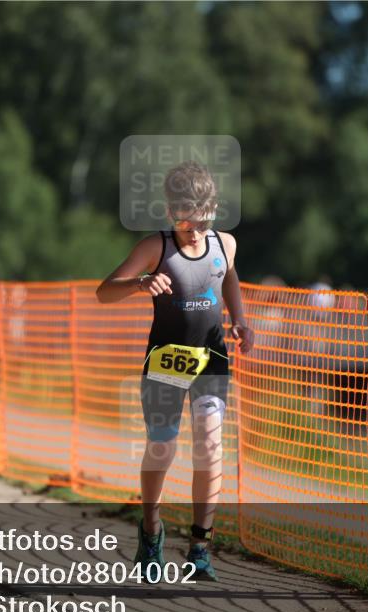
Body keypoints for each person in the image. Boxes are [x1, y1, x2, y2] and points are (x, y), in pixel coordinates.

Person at [97, 161, 254, 582]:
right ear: (171, 213)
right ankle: (151, 530)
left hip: (212, 356)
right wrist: (139, 284)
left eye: (202, 220)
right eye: (186, 223)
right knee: (162, 447)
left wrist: (239, 318)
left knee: (209, 439)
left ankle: (201, 547)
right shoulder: (156, 247)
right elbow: (103, 292)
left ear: (213, 208)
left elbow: (229, 277)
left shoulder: (226, 244)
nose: (195, 231)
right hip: (166, 358)